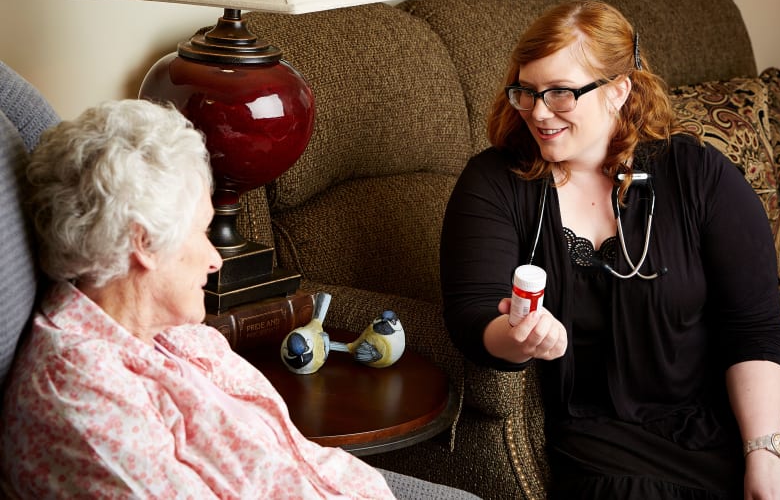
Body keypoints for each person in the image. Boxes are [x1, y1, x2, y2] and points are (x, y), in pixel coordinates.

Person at [0, 99, 479, 500]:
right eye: (202, 233)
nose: (215, 259)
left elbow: (291, 455)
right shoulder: (83, 395)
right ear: (143, 243)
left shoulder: (177, 333)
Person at [440, 0, 780, 499]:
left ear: (618, 91)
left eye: (561, 94)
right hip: (603, 437)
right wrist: (518, 337)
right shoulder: (495, 182)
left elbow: (754, 326)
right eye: (527, 92)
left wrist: (765, 450)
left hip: (725, 420)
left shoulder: (699, 175)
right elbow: (471, 313)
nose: (539, 113)